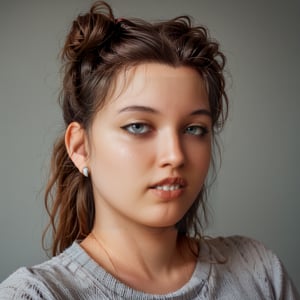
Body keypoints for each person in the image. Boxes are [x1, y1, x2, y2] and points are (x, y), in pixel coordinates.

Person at [0, 1, 299, 299]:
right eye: (138, 127)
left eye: (194, 129)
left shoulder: (259, 273)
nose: (175, 155)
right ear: (81, 148)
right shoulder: (35, 294)